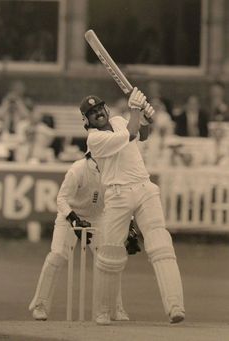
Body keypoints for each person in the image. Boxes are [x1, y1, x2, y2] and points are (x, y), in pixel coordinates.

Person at [80, 88, 185, 325]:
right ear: (86, 120)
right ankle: (103, 310)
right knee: (110, 254)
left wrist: (146, 118)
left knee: (161, 245)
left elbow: (142, 135)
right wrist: (136, 110)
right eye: (92, 112)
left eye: (99, 108)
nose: (98, 114)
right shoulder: (94, 139)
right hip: (118, 196)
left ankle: (175, 306)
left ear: (106, 109)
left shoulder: (118, 120)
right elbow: (129, 134)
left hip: (144, 187)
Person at [29, 152, 140, 321]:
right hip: (70, 215)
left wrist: (130, 227)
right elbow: (61, 199)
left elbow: (122, 201)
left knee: (110, 261)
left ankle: (114, 308)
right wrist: (74, 219)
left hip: (98, 218)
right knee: (57, 255)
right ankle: (40, 305)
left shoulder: (115, 171)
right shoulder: (78, 169)